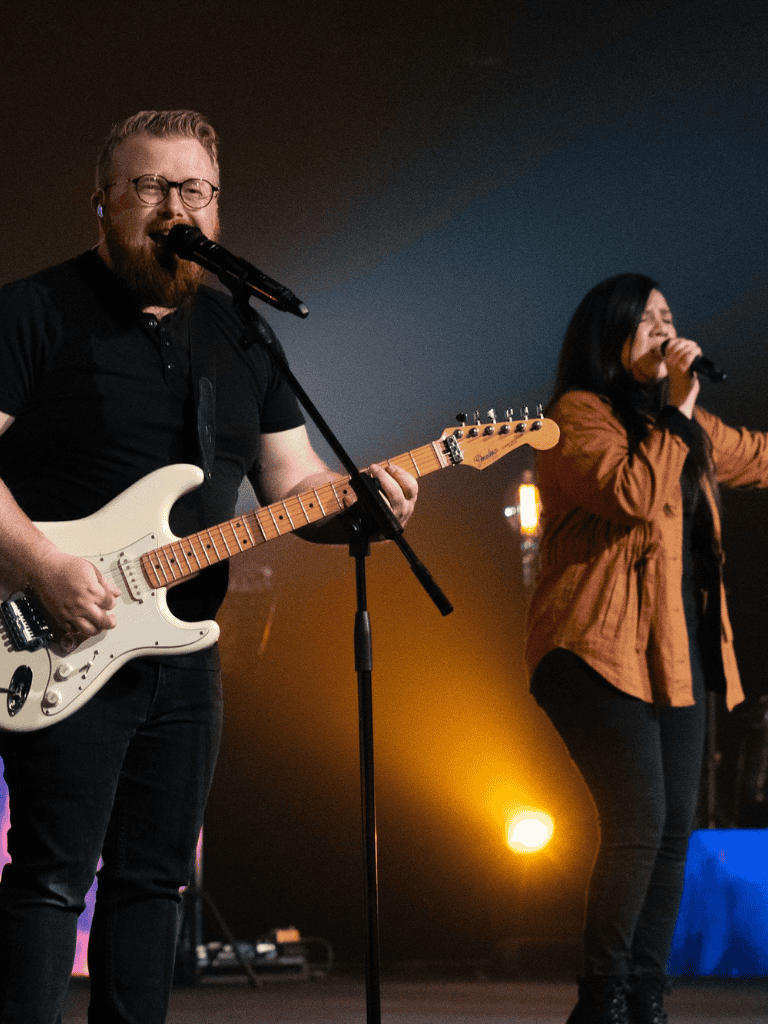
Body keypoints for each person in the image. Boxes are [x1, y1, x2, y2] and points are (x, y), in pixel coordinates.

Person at [0, 109, 418, 1024]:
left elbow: (291, 481)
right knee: (52, 877)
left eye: (194, 189)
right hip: (61, 630)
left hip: (184, 652)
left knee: (154, 883)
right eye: (150, 186)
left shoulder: (241, 332)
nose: (173, 207)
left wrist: (367, 500)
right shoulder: (32, 311)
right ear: (103, 201)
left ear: (217, 205)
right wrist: (41, 565)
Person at [525, 274, 768, 1024]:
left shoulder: (681, 425)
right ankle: (601, 999)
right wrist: (682, 409)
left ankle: (645, 996)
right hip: (593, 648)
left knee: (672, 834)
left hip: (677, 652)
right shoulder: (573, 417)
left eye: (670, 316)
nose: (668, 330)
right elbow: (631, 492)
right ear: (612, 333)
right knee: (637, 823)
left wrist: (683, 416)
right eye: (650, 319)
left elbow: (758, 455)